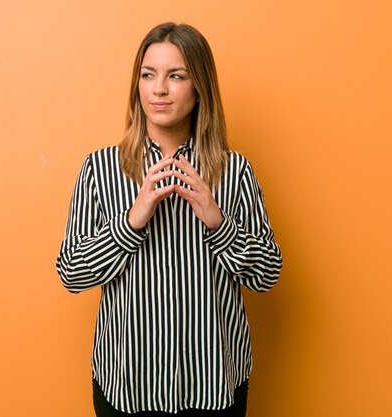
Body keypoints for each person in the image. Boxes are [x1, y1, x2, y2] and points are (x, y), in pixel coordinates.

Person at [56, 22, 283, 416]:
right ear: (137, 85)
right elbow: (72, 273)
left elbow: (267, 275)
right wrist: (131, 221)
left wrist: (218, 222)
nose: (158, 89)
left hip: (213, 388)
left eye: (176, 76)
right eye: (148, 75)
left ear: (200, 89)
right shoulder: (100, 169)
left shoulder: (235, 171)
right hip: (127, 389)